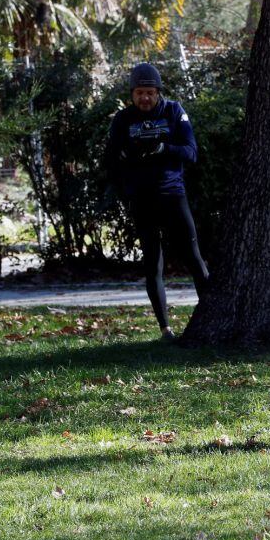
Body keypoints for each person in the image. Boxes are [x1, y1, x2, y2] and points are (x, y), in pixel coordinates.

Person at [106, 62, 209, 340]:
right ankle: (165, 329)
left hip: (172, 195)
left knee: (194, 257)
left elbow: (191, 152)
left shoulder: (174, 111)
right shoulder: (123, 119)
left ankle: (211, 318)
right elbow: (111, 160)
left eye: (150, 93)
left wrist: (164, 148)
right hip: (142, 200)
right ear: (132, 94)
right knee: (153, 264)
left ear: (158, 92)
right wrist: (126, 166)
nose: (145, 98)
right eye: (139, 93)